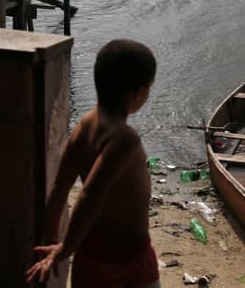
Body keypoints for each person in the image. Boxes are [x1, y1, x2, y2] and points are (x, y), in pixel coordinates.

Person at [26, 39, 159, 288]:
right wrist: (64, 249)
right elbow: (90, 194)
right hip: (129, 261)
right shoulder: (124, 138)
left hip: (89, 256)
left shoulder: (84, 126)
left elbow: (60, 189)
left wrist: (50, 236)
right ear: (137, 93)